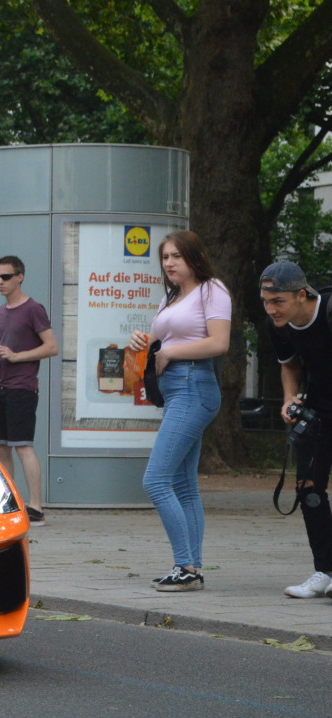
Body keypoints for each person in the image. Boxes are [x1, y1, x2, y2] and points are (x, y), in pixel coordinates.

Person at [127, 231, 231, 592]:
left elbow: (219, 342)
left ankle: (185, 566)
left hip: (193, 386)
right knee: (184, 486)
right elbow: (164, 340)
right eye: (165, 257)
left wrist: (170, 353)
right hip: (176, 391)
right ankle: (192, 568)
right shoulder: (171, 297)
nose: (169, 263)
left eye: (177, 256)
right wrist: (146, 342)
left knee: (155, 480)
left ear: (194, 257)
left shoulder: (211, 289)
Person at [259, 262, 332, 599]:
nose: (271, 309)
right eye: (266, 301)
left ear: (302, 295)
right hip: (319, 412)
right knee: (309, 490)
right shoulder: (280, 326)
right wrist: (289, 398)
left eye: (278, 301)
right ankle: (324, 572)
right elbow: (289, 364)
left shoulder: (329, 311)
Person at [0, 255, 58, 526]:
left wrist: (16, 356)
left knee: (23, 446)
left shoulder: (34, 309)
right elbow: (4, 347)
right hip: (0, 386)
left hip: (23, 387)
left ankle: (36, 506)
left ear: (20, 277)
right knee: (1, 448)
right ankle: (10, 502)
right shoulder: (0, 312)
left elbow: (51, 347)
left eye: (6, 277)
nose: (0, 282)